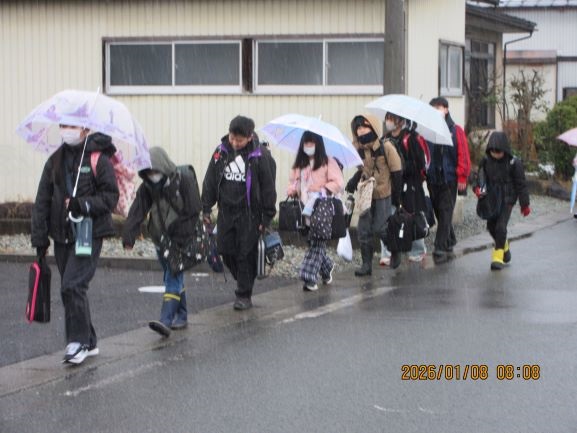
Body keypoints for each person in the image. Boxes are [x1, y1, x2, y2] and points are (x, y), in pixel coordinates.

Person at [31, 125, 119, 365]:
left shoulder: (98, 159)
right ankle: (89, 340)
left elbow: (110, 197)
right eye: (63, 125)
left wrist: (82, 204)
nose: (66, 130)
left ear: (85, 128)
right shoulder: (55, 160)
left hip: (89, 233)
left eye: (72, 125)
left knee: (72, 285)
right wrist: (40, 239)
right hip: (61, 234)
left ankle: (77, 342)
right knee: (72, 287)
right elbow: (42, 201)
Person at [122, 147, 201, 337]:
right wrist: (129, 236)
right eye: (148, 173)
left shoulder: (184, 180)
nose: (153, 176)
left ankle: (165, 320)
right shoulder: (148, 187)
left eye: (155, 171)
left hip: (181, 238)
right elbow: (137, 210)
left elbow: (193, 209)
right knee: (173, 274)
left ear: (164, 167)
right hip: (160, 238)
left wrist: (181, 236)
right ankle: (182, 316)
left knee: (172, 276)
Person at [201, 115, 277, 310]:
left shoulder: (259, 156)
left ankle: (244, 295)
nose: (234, 143)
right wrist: (206, 208)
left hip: (250, 214)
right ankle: (246, 278)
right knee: (225, 249)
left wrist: (267, 217)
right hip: (226, 211)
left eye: (239, 140)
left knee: (245, 253)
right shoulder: (221, 152)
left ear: (250, 137)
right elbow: (210, 180)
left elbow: (268, 187)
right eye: (232, 138)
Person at [345, 115, 402, 276]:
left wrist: (397, 198)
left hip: (383, 193)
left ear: (373, 127)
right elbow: (363, 170)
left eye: (364, 126)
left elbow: (397, 172)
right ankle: (366, 265)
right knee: (363, 230)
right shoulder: (358, 150)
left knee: (380, 227)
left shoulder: (386, 147)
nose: (361, 131)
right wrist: (354, 181)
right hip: (366, 194)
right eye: (358, 128)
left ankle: (395, 249)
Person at [287, 131, 344, 290]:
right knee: (313, 241)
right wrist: (292, 189)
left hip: (321, 205)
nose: (308, 146)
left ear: (318, 144)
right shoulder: (300, 164)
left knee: (317, 241)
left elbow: (338, 182)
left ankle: (309, 277)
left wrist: (324, 189)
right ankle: (326, 269)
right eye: (306, 143)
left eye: (311, 143)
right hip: (304, 206)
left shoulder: (328, 162)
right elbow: (293, 182)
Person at [474, 131, 530, 270]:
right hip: (491, 198)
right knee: (491, 227)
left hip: (508, 199)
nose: (495, 154)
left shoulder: (514, 163)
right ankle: (504, 246)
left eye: (498, 152)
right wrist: (477, 189)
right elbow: (479, 178)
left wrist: (524, 204)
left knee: (500, 226)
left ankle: (498, 257)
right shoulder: (485, 161)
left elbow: (521, 184)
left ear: (504, 149)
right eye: (493, 151)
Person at [382, 112, 430, 267]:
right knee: (388, 217)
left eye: (392, 119)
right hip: (391, 184)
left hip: (409, 185)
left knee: (412, 215)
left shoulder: (411, 138)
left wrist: (402, 167)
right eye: (387, 118)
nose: (388, 122)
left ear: (401, 121)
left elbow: (420, 163)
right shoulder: (385, 139)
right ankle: (388, 252)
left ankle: (417, 251)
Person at [427, 97, 471, 264]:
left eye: (439, 107)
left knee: (446, 211)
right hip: (433, 178)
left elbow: (463, 154)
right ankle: (450, 239)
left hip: (449, 178)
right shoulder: (428, 131)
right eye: (433, 108)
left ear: (446, 109)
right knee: (439, 212)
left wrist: (462, 176)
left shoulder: (455, 130)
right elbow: (425, 153)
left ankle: (439, 247)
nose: (437, 110)